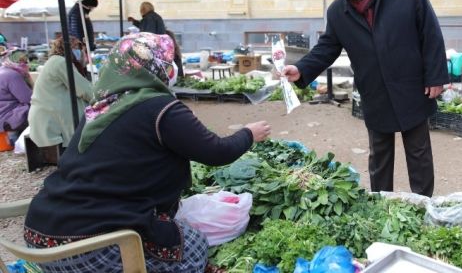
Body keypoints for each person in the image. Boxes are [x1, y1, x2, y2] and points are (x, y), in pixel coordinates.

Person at [23, 32, 272, 272]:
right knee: (193, 243)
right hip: (89, 248)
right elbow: (216, 152)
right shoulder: (161, 108)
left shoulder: (99, 107)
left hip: (39, 237)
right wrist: (249, 134)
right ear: (159, 66)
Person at [280, 0, 448, 197]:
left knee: (418, 152)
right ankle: (381, 204)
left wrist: (436, 76)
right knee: (379, 155)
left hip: (411, 85)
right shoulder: (338, 11)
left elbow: (430, 33)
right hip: (374, 90)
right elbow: (327, 47)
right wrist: (301, 69)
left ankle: (423, 203)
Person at [28, 36, 93, 148]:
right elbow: (84, 90)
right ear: (67, 48)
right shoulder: (61, 62)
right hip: (52, 120)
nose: (79, 51)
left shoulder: (55, 61)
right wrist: (102, 96)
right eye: (76, 47)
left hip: (49, 116)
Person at [0, 48, 32, 145]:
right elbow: (28, 98)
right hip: (7, 118)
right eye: (24, 61)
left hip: (3, 115)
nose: (26, 64)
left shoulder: (3, 70)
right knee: (39, 111)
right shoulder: (13, 75)